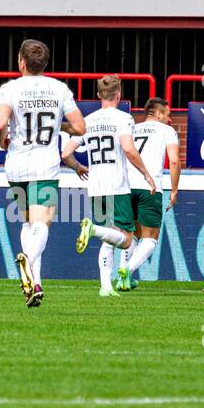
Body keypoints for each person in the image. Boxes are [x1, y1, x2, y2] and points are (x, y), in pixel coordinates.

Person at [0, 38, 87, 307]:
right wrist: (60, 127)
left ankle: (34, 282)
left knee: (28, 224)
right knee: (42, 224)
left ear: (21, 61)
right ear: (44, 63)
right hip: (44, 163)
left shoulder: (10, 89)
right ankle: (28, 262)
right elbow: (79, 128)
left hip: (17, 164)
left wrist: (1, 141)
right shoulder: (58, 88)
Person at [63, 76, 157, 297]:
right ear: (119, 95)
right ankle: (92, 230)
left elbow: (66, 153)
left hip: (96, 186)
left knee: (110, 236)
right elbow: (128, 149)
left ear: (98, 95)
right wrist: (146, 174)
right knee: (125, 240)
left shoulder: (88, 121)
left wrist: (78, 167)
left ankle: (105, 287)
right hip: (117, 185)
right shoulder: (123, 118)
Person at [117, 97, 180, 290]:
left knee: (131, 235)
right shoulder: (167, 131)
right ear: (159, 113)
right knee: (150, 238)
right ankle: (127, 270)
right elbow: (175, 161)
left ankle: (121, 279)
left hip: (126, 187)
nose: (170, 120)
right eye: (168, 115)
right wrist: (175, 189)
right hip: (149, 187)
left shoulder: (132, 128)